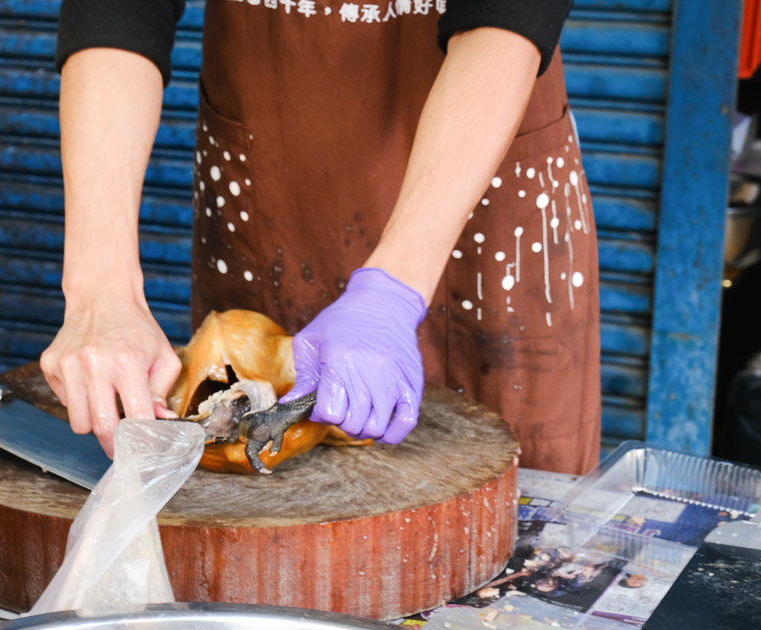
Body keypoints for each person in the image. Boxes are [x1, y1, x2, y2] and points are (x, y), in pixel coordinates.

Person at [41, 0, 601, 475]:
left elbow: (508, 11)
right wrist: (101, 285)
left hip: (480, 186)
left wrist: (393, 292)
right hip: (272, 180)